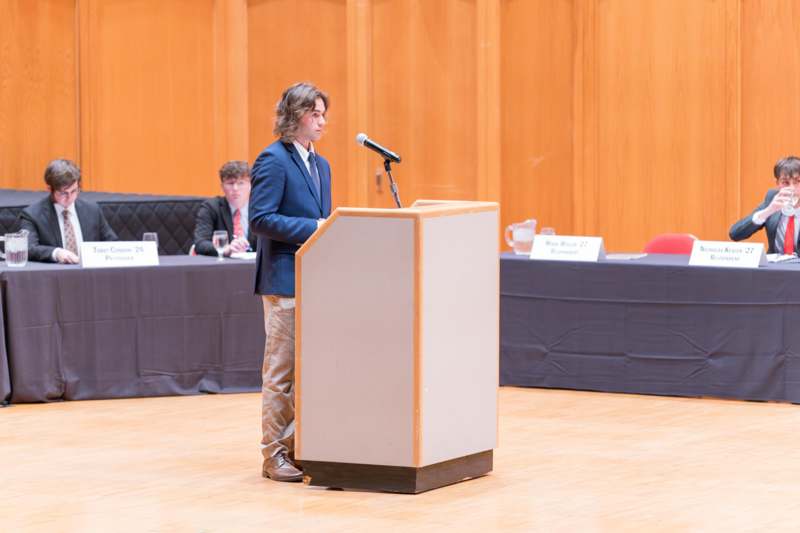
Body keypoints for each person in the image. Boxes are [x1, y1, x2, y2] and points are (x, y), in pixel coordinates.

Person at [250, 82, 332, 482]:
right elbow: (260, 219)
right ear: (295, 115)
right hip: (284, 281)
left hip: (315, 282)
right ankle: (274, 454)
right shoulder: (273, 160)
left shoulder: (322, 164)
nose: (322, 120)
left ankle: (301, 447)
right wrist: (312, 227)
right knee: (280, 374)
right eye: (315, 113)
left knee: (308, 373)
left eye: (323, 113)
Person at [19, 159, 117, 263]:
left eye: (74, 191)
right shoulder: (32, 215)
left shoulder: (92, 210)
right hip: (56, 276)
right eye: (63, 193)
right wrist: (56, 253)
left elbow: (113, 243)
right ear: (49, 189)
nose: (70, 197)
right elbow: (29, 248)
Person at [730, 156, 800, 254]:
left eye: (797, 182)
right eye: (785, 182)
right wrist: (769, 210)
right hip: (776, 268)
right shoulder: (772, 199)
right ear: (778, 184)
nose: (792, 188)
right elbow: (735, 234)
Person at [193, 160, 256, 256]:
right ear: (222, 186)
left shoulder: (260, 209)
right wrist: (225, 249)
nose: (235, 188)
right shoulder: (211, 207)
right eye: (230, 183)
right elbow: (200, 244)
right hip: (223, 266)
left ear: (250, 185)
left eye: (241, 183)